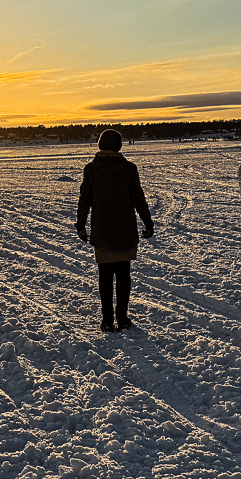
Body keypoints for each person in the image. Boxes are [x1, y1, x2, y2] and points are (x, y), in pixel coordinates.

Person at [75, 129, 153, 332]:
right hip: (125, 230)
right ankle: (123, 318)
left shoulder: (91, 170)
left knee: (105, 276)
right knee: (124, 275)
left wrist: (81, 225)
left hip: (102, 231)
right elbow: (138, 198)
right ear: (118, 146)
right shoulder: (129, 169)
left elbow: (85, 199)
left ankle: (107, 320)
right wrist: (148, 222)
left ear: (100, 146)